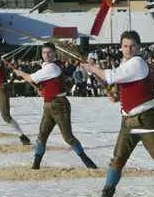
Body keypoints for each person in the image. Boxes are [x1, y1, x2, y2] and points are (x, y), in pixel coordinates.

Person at [82, 30, 154, 197]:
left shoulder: (137, 62)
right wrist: (117, 96)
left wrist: (92, 68)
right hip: (128, 120)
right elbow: (125, 85)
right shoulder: (125, 63)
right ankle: (106, 196)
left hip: (146, 119)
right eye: (125, 46)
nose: (129, 49)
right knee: (117, 159)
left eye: (132, 46)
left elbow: (111, 77)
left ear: (139, 47)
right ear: (121, 47)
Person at [13, 42, 97, 170]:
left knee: (68, 137)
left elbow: (31, 78)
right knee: (42, 135)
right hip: (48, 104)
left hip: (59, 105)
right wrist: (43, 89)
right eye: (44, 53)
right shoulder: (48, 67)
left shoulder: (51, 67)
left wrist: (20, 73)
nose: (46, 55)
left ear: (54, 53)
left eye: (49, 52)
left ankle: (88, 161)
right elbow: (47, 83)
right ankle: (36, 165)